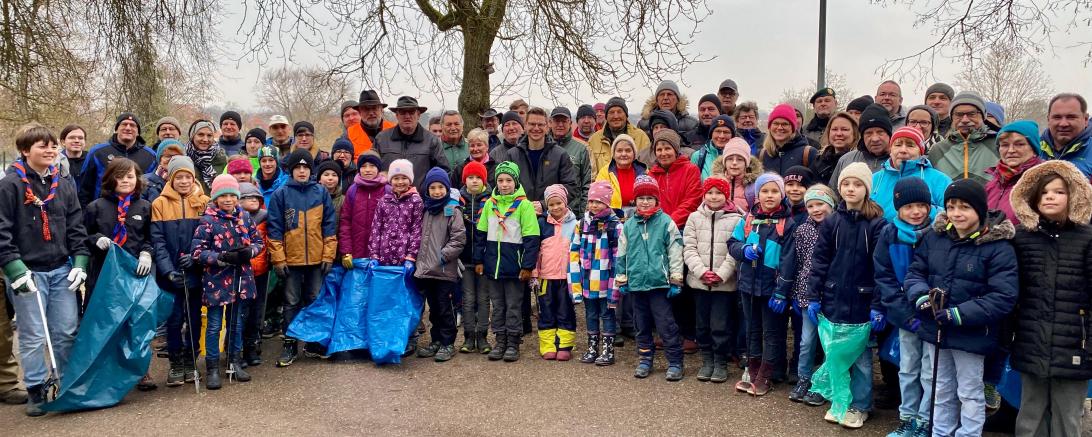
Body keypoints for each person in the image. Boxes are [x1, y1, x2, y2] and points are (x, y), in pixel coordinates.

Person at [904, 179, 1018, 437]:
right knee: (941, 387)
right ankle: (941, 431)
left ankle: (968, 433)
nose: (957, 213)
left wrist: (960, 314)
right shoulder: (936, 237)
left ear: (979, 209)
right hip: (937, 328)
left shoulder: (997, 247)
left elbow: (1002, 295)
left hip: (972, 333)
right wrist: (921, 297)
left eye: (964, 207)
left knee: (969, 391)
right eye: (952, 207)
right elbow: (915, 272)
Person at [0, 124, 89, 416]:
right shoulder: (10, 185)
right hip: (29, 272)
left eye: (53, 146)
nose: (50, 151)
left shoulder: (63, 185)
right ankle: (36, 388)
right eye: (42, 146)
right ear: (26, 151)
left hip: (61, 269)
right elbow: (3, 231)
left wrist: (80, 263)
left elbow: (76, 226)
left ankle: (66, 383)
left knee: (65, 330)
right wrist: (15, 269)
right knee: (33, 334)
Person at [1008, 160, 1092, 437]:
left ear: (1075, 196)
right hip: (1031, 338)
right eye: (1044, 193)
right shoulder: (1020, 237)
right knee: (1031, 411)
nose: (1050, 197)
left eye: (1059, 191)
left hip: (1074, 342)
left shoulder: (1087, 238)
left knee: (1068, 414)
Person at [803, 162, 887, 429]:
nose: (851, 189)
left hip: (862, 303)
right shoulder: (832, 221)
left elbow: (881, 267)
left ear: (867, 189)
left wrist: (878, 305)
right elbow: (820, 261)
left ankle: (860, 405)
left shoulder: (877, 223)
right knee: (836, 353)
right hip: (833, 300)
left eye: (857, 184)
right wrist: (813, 295)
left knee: (861, 359)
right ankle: (840, 400)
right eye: (846, 184)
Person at [874, 177, 935, 436]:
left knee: (931, 373)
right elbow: (883, 277)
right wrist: (904, 315)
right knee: (909, 368)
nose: (916, 211)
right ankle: (908, 417)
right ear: (898, 208)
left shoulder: (938, 232)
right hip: (906, 316)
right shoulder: (889, 234)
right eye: (909, 206)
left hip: (934, 315)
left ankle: (926, 420)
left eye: (922, 205)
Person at [267, 149, 337, 367]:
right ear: (291, 170)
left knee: (315, 298)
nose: (302, 171)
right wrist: (278, 258)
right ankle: (289, 342)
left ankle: (314, 342)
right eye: (298, 167)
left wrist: (328, 254)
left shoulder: (321, 192)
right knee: (291, 301)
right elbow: (275, 228)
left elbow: (329, 226)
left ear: (311, 170)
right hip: (291, 260)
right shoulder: (281, 194)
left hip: (317, 259)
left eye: (306, 167)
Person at [191, 175, 262, 389]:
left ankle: (234, 361)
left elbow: (258, 241)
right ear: (216, 198)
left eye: (232, 195)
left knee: (236, 323)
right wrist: (219, 258)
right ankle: (212, 368)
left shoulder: (246, 218)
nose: (229, 199)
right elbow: (197, 252)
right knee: (213, 325)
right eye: (224, 196)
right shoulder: (207, 221)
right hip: (216, 281)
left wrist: (250, 251)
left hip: (241, 279)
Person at [728, 172, 796, 396]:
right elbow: (733, 243)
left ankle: (767, 375)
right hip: (748, 285)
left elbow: (788, 261)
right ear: (757, 195)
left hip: (772, 288)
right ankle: (753, 371)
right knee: (752, 330)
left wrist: (781, 292)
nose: (769, 195)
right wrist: (744, 251)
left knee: (772, 332)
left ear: (782, 194)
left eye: (774, 191)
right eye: (765, 191)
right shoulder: (748, 219)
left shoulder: (787, 224)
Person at [616, 175, 685, 381]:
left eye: (649, 198)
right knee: (641, 324)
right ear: (634, 200)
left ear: (657, 200)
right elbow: (622, 253)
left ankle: (675, 361)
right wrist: (622, 278)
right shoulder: (628, 226)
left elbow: (675, 251)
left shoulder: (666, 223)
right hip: (637, 285)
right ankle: (645, 359)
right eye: (641, 198)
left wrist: (676, 278)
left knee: (666, 324)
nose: (645, 202)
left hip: (659, 285)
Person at [474, 161, 540, 363]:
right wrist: (479, 260)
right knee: (498, 305)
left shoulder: (524, 205)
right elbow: (480, 235)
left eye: (508, 180)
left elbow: (532, 238)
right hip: (493, 266)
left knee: (513, 305)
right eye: (500, 180)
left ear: (516, 181)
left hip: (515, 267)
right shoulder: (489, 205)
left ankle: (513, 342)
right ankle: (500, 340)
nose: (504, 184)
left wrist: (527, 266)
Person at [151, 156, 208, 388]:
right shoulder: (159, 204)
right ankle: (175, 362)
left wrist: (195, 259)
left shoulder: (205, 201)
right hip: (171, 273)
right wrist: (167, 269)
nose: (183, 181)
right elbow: (158, 241)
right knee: (174, 320)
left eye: (187, 177)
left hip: (196, 271)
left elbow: (208, 235)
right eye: (179, 177)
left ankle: (191, 360)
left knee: (194, 318)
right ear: (171, 178)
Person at [683, 176, 743, 383]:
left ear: (726, 195)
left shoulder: (736, 219)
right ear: (704, 194)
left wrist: (721, 273)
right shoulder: (694, 218)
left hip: (723, 284)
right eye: (710, 192)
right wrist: (701, 272)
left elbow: (734, 252)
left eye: (718, 192)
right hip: (699, 283)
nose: (714, 196)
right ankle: (706, 360)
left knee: (720, 325)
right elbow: (688, 248)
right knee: (702, 325)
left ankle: (720, 361)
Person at [780, 184, 836, 404]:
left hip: (832, 295)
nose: (815, 209)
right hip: (807, 294)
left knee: (829, 344)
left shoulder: (838, 227)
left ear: (830, 204)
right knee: (806, 341)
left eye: (820, 204)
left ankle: (824, 383)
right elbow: (799, 263)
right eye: (810, 205)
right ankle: (804, 378)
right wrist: (795, 293)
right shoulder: (802, 230)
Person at [82, 158, 154, 318]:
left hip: (134, 272)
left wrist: (147, 253)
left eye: (130, 176)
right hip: (103, 272)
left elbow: (151, 237)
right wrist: (96, 239)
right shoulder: (95, 207)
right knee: (101, 317)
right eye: (119, 176)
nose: (125, 180)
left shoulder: (146, 207)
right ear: (110, 178)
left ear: (137, 179)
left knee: (132, 318)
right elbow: (83, 237)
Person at [369, 159, 424, 354]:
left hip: (404, 260)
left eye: (403, 178)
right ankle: (388, 335)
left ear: (409, 180)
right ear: (390, 180)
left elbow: (417, 230)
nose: (400, 182)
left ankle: (410, 335)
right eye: (396, 178)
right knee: (389, 300)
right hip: (385, 259)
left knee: (407, 299)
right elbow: (377, 228)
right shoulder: (384, 200)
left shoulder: (416, 201)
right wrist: (374, 254)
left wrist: (411, 257)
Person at [414, 167, 465, 362]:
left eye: (440, 187)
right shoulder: (424, 209)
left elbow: (458, 239)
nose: (437, 191)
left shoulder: (452, 209)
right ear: (427, 190)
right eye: (433, 187)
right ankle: (436, 340)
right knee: (433, 308)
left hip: (443, 270)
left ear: (447, 188)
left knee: (445, 308)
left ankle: (448, 343)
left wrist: (442, 256)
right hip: (426, 270)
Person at [570, 181, 623, 365]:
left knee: (607, 315)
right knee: (590, 315)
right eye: (591, 201)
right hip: (587, 281)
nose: (594, 205)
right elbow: (574, 253)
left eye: (599, 202)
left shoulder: (615, 226)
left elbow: (618, 258)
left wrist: (616, 284)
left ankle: (608, 350)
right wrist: (575, 284)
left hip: (605, 281)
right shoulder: (582, 224)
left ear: (607, 203)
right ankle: (592, 347)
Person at [498, 107, 578, 218]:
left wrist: (544, 204)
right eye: (532, 124)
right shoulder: (512, 155)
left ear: (547, 127)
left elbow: (571, 187)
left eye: (540, 125)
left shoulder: (560, 155)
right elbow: (502, 186)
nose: (536, 128)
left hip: (550, 219)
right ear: (525, 126)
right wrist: (524, 206)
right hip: (519, 217)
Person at [531, 184, 578, 361]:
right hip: (545, 278)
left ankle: (565, 344)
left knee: (565, 311)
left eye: (559, 203)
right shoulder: (542, 223)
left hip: (567, 278)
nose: (555, 207)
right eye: (551, 205)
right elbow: (535, 250)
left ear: (565, 202)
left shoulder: (575, 224)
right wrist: (534, 273)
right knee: (546, 310)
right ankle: (547, 344)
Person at [872, 126, 952, 221]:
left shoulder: (940, 180)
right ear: (890, 150)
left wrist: (928, 213)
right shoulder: (874, 179)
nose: (903, 150)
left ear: (920, 152)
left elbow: (952, 212)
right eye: (898, 145)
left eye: (910, 145)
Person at [79, 112, 156, 206]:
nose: (128, 128)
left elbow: (152, 187)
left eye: (132, 125)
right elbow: (84, 187)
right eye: (124, 124)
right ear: (116, 129)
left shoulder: (150, 155)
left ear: (138, 131)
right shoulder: (97, 152)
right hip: (102, 211)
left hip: (137, 212)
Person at [374, 97, 451, 189]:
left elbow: (444, 172)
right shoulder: (382, 139)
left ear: (418, 115)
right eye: (403, 112)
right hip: (387, 199)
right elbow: (370, 167)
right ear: (397, 115)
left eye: (411, 112)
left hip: (421, 200)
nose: (407, 116)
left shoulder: (432, 141)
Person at [927, 91, 1000, 185]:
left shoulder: (999, 145)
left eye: (971, 114)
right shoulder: (938, 150)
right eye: (959, 114)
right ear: (951, 117)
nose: (965, 120)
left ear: (983, 116)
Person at [457, 160, 492, 355]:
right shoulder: (458, 201)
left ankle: (483, 336)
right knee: (468, 299)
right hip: (465, 260)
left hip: (485, 260)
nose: (474, 181)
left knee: (484, 299)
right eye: (470, 177)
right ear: (465, 180)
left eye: (479, 177)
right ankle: (469, 336)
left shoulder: (490, 201)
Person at [986, 120, 1044, 226]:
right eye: (1004, 145)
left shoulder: (1043, 182)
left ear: (1034, 148)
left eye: (1020, 144)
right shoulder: (992, 184)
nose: (1011, 150)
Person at [238, 183, 270, 367]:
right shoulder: (235, 218)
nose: (253, 200)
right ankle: (236, 348)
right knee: (242, 312)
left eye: (256, 197)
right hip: (242, 272)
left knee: (257, 312)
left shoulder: (266, 217)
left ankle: (251, 347)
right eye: (247, 197)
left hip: (261, 272)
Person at [338, 151, 386, 264]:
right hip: (355, 253)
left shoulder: (387, 190)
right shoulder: (352, 190)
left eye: (372, 166)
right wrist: (346, 251)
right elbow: (345, 222)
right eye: (363, 166)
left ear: (378, 168)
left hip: (380, 254)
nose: (367, 170)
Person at [830, 103, 892, 186]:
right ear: (862, 136)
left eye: (880, 132)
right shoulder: (846, 160)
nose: (875, 139)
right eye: (868, 133)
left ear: (889, 134)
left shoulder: (899, 162)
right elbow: (832, 195)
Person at [587, 97, 651, 174]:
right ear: (606, 116)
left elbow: (647, 169)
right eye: (611, 112)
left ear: (626, 115)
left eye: (619, 112)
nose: (616, 116)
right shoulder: (594, 140)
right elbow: (591, 172)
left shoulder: (641, 137)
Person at [549, 107, 593, 218]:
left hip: (573, 213)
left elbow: (587, 183)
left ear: (570, 123)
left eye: (564, 121)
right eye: (556, 121)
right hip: (547, 214)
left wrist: (583, 215)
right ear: (550, 123)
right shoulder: (542, 146)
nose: (560, 124)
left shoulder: (582, 148)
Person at [1038, 93, 1092, 179]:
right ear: (1048, 120)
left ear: (1085, 119)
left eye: (1071, 117)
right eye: (1057, 117)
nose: (1063, 124)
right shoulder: (1032, 149)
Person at [594, 134, 648, 218]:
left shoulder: (644, 172)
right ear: (613, 154)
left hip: (640, 217)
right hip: (612, 217)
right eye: (619, 150)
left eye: (628, 150)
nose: (623, 154)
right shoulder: (605, 172)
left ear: (634, 154)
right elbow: (598, 199)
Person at [760, 104, 819, 176]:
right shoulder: (762, 155)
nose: (779, 127)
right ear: (770, 127)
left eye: (785, 124)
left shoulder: (809, 154)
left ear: (793, 128)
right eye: (776, 123)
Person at [709, 138, 761, 212]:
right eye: (730, 159)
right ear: (724, 162)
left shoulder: (755, 186)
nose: (734, 163)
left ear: (746, 164)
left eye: (740, 159)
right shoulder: (713, 183)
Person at [185, 119, 228, 195]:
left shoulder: (222, 159)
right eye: (200, 134)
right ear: (192, 136)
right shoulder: (184, 159)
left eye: (209, 135)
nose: (205, 139)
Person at [348, 90, 396, 158]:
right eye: (366, 109)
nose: (371, 113)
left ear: (381, 110)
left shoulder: (395, 130)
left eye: (374, 108)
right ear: (360, 112)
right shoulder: (349, 134)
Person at [814, 112, 859, 184]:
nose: (838, 134)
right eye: (834, 129)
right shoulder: (819, 160)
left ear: (854, 133)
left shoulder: (859, 161)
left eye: (844, 129)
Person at [691, 115, 736, 180]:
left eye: (726, 132)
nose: (721, 136)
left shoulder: (739, 157)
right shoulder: (698, 156)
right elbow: (693, 184)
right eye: (718, 131)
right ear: (711, 134)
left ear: (732, 136)